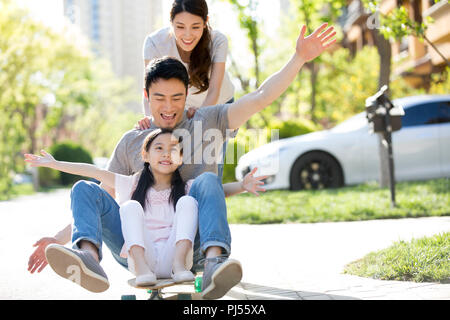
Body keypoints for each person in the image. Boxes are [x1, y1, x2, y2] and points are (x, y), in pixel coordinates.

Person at [28, 23, 336, 299]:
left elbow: (261, 96)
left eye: (177, 98)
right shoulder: (131, 141)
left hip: (194, 247)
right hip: (137, 249)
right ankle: (88, 259)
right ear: (146, 96)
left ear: (188, 95)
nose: (168, 107)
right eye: (159, 98)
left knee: (207, 180)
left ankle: (216, 263)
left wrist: (298, 58)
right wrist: (56, 239)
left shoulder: (209, 121)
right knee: (86, 188)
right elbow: (104, 196)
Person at [25, 129, 266, 290]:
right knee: (102, 195)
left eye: (173, 149)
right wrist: (56, 164)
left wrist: (243, 186)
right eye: (159, 148)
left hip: (178, 258)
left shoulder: (188, 188)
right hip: (142, 259)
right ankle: (89, 258)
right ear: (145, 155)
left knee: (189, 201)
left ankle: (200, 263)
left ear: (180, 158)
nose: (166, 153)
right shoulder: (130, 183)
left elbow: (216, 192)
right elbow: (92, 171)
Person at [139, 0, 236, 179]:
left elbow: (214, 89)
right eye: (180, 27)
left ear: (206, 22)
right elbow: (150, 90)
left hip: (218, 104)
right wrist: (152, 126)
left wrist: (200, 121)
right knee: (178, 161)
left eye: (196, 27)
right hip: (183, 107)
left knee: (210, 166)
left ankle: (212, 200)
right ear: (171, 22)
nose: (188, 35)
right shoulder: (154, 43)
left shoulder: (217, 40)